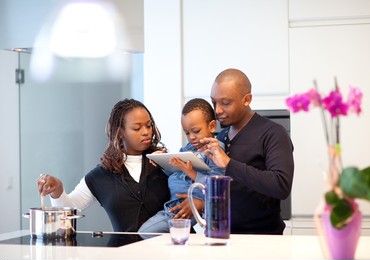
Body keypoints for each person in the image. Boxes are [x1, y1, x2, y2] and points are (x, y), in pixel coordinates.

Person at [37, 99, 171, 232]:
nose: (146, 132)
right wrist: (57, 190)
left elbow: (187, 193)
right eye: (137, 128)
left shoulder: (165, 162)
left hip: (172, 250)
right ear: (120, 132)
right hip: (125, 252)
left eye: (149, 126)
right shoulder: (101, 176)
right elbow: (68, 209)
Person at [199, 68, 294, 235]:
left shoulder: (273, 133)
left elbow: (281, 185)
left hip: (263, 242)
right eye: (214, 102)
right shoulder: (220, 137)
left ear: (247, 99)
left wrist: (228, 164)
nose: (218, 110)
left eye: (225, 103)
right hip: (221, 238)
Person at [138, 98, 225, 234]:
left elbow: (217, 185)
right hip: (173, 204)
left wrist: (190, 172)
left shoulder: (215, 150)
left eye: (196, 131)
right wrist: (162, 162)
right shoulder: (187, 148)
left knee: (145, 232)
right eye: (187, 133)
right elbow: (176, 172)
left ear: (212, 126)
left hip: (186, 206)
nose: (191, 137)